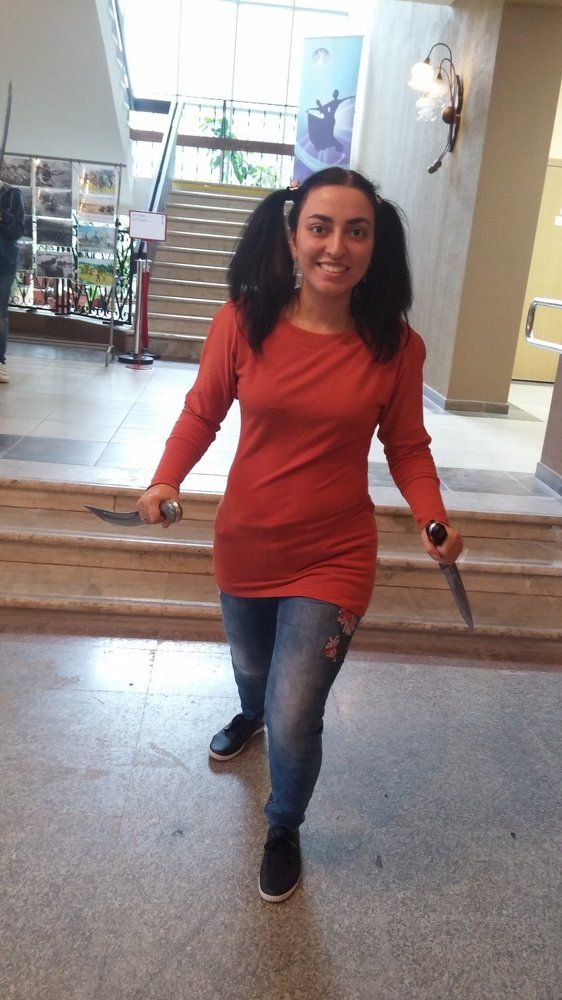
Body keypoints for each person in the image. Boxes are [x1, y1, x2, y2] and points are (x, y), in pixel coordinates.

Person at [137, 167, 463, 904]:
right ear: (293, 236)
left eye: (356, 231)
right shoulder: (242, 321)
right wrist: (165, 479)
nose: (336, 247)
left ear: (376, 246)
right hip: (247, 543)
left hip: (334, 555)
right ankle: (249, 713)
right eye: (321, 227)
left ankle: (283, 825)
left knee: (297, 712)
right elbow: (202, 411)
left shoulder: (395, 347)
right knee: (254, 672)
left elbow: (407, 445)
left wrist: (432, 514)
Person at [0, 181, 25, 383]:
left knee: (0, 313)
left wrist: (2, 215)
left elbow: (17, 231)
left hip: (3, 262)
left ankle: (0, 363)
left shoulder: (11, 194)